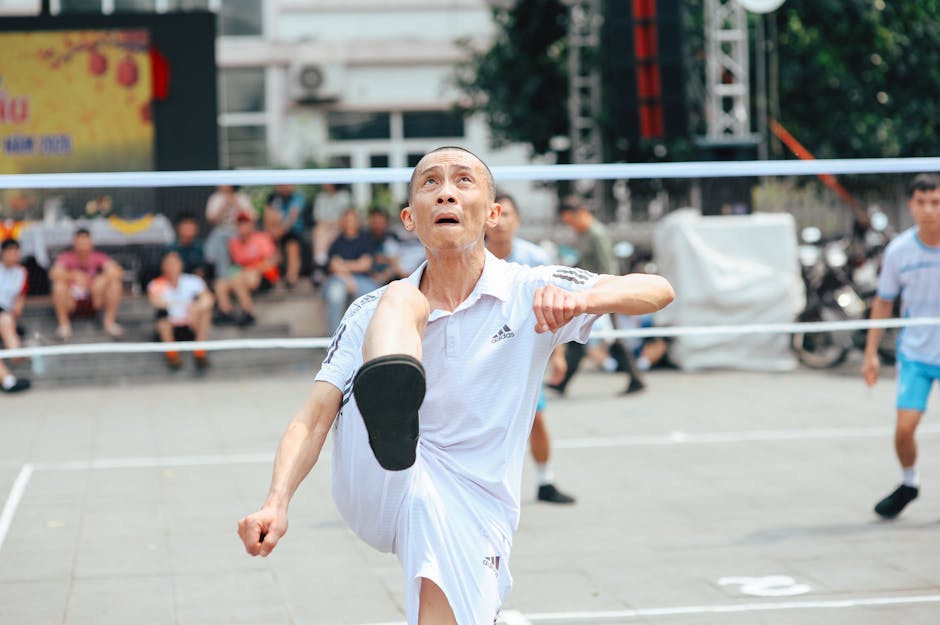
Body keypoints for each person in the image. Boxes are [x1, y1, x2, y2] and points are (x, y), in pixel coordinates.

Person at [237, 147, 674, 625]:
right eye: (431, 182)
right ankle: (391, 391)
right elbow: (315, 415)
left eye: (463, 180)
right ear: (410, 218)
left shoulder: (528, 288)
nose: (446, 192)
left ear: (492, 214)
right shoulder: (369, 310)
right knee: (400, 297)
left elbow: (657, 290)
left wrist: (583, 300)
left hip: (474, 500)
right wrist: (276, 503)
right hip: (378, 476)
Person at [486, 191, 576, 504]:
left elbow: (555, 308)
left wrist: (559, 355)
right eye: (495, 215)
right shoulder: (470, 258)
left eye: (507, 214)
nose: (500, 222)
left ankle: (545, 481)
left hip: (523, 353)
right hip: (482, 355)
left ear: (517, 220)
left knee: (535, 417)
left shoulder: (534, 258)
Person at [863, 173, 940, 520]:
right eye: (922, 202)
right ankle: (909, 483)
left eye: (936, 202)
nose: (929, 210)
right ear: (911, 205)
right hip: (916, 353)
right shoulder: (899, 251)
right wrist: (870, 355)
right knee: (904, 428)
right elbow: (883, 302)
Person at [551, 196, 645, 395]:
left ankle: (636, 379)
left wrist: (608, 296)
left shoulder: (596, 234)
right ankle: (563, 382)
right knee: (579, 338)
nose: (570, 226)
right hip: (588, 294)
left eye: (570, 221)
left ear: (580, 213)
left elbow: (607, 267)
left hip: (601, 295)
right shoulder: (585, 234)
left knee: (612, 339)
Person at [49, 228, 124, 340]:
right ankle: (64, 325)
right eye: (80, 243)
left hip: (95, 299)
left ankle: (109, 323)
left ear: (91, 243)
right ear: (74, 243)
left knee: (115, 284)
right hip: (72, 301)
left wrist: (102, 279)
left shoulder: (99, 257)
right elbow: (54, 273)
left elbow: (117, 271)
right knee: (58, 286)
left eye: (85, 243)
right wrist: (73, 275)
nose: (83, 246)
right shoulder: (66, 257)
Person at [147, 250, 214, 371]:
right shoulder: (157, 284)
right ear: (163, 266)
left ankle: (200, 352)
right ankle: (172, 354)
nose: (172, 267)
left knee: (205, 314)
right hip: (172, 324)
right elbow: (157, 302)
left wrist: (196, 308)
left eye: (174, 263)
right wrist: (182, 307)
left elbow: (208, 299)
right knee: (162, 319)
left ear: (181, 264)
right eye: (169, 264)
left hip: (191, 323)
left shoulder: (193, 281)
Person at [214, 213, 279, 327]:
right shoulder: (234, 243)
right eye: (240, 224)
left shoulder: (261, 238)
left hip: (265, 276)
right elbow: (235, 265)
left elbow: (270, 262)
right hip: (243, 276)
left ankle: (247, 311)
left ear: (251, 225)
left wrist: (250, 269)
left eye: (245, 223)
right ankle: (226, 312)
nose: (242, 226)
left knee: (240, 278)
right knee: (220, 285)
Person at [322, 208, 377, 333]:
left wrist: (344, 264)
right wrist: (349, 278)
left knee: (373, 295)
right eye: (347, 220)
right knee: (335, 294)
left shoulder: (365, 239)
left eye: (353, 220)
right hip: (339, 279)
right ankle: (335, 337)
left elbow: (365, 265)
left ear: (358, 221)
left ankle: (366, 338)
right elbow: (334, 266)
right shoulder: (337, 241)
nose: (350, 223)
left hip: (362, 279)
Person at [205, 184, 254, 281]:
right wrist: (224, 205)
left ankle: (228, 276)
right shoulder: (216, 198)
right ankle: (223, 277)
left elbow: (251, 217)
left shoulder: (242, 197)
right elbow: (211, 219)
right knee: (219, 239)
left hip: (239, 232)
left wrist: (236, 203)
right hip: (221, 232)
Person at [0, 239, 30, 393]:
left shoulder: (21, 273)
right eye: (9, 251)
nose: (13, 255)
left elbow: (18, 303)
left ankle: (14, 350)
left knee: (5, 320)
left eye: (15, 251)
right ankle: (8, 379)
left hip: (5, 313)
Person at [264, 184, 307, 288]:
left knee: (292, 246)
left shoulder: (297, 198)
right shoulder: (275, 199)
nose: (284, 187)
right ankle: (273, 279)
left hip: (293, 233)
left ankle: (291, 278)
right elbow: (269, 218)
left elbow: (292, 218)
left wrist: (279, 232)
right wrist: (273, 233)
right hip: (276, 233)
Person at [312, 183, 352, 278]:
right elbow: (317, 219)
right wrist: (328, 224)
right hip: (324, 228)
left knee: (325, 234)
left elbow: (346, 217)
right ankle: (320, 265)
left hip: (339, 227)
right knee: (319, 232)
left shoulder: (344, 196)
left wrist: (330, 224)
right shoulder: (321, 197)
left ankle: (320, 266)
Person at [367, 207, 406, 286]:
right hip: (369, 278)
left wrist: (386, 260)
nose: (378, 226)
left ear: (386, 223)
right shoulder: (364, 239)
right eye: (375, 222)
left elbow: (397, 260)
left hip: (392, 278)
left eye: (381, 222)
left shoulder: (393, 238)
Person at [167, 213, 208, 279]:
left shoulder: (202, 247)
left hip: (197, 281)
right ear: (178, 227)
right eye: (186, 225)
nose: (189, 229)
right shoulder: (170, 249)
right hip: (175, 281)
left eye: (191, 224)